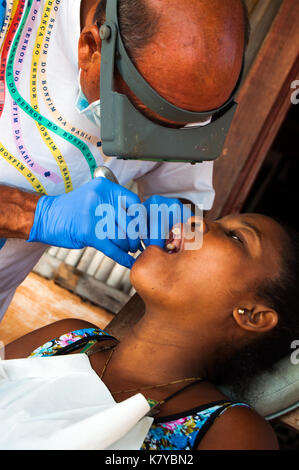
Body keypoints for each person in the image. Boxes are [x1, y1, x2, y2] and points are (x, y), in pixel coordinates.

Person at [0, 0, 249, 321]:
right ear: (90, 48)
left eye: (178, 130)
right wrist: (38, 215)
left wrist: (176, 223)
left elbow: (186, 200)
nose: (157, 141)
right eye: (140, 123)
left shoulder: (183, 96)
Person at [5, 213, 299, 450]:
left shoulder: (232, 432)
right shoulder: (67, 338)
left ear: (253, 315)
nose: (195, 222)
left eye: (236, 237)